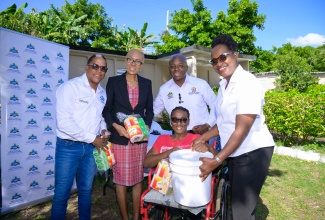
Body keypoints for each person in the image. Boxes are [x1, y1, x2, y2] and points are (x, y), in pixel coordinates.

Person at [192, 34, 275, 220]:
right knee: (235, 203)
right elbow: (223, 123)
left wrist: (217, 159)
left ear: (235, 55)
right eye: (214, 61)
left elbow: (241, 129)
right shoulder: (223, 85)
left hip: (253, 150)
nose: (218, 63)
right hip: (236, 151)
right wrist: (203, 137)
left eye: (223, 57)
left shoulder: (247, 83)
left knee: (241, 212)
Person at [51, 54, 109, 220]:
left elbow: (101, 117)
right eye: (95, 66)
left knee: (85, 190)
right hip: (69, 147)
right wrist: (93, 138)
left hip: (91, 148)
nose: (99, 70)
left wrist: (103, 130)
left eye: (103, 68)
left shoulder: (102, 93)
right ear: (87, 67)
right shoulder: (70, 87)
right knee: (62, 194)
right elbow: (64, 124)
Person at [102, 49, 154, 220]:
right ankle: (125, 218)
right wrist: (116, 127)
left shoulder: (146, 83)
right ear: (125, 61)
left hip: (139, 140)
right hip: (120, 139)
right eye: (130, 60)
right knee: (121, 180)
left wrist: (146, 125)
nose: (133, 64)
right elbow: (107, 110)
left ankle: (136, 217)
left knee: (138, 179)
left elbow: (150, 111)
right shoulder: (114, 82)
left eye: (138, 61)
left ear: (142, 65)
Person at [153, 54, 217, 135]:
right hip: (177, 136)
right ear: (169, 69)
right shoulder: (164, 89)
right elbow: (153, 111)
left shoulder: (200, 84)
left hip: (201, 135)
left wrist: (207, 125)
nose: (176, 69)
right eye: (172, 66)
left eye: (180, 66)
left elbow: (215, 105)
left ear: (186, 68)